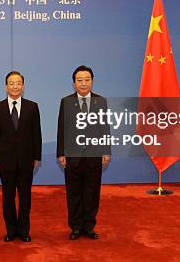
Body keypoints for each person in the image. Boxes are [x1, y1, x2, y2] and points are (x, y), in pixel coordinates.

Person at [56, 65, 110, 240]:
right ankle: (76, 227)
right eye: (79, 80)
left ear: (92, 82)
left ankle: (89, 226)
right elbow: (61, 129)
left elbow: (105, 127)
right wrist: (60, 153)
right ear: (74, 83)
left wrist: (106, 150)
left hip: (94, 155)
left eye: (87, 80)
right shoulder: (66, 102)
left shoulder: (101, 101)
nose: (83, 83)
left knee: (92, 192)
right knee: (74, 193)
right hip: (73, 156)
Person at [0, 71, 42, 242]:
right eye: (11, 83)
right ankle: (11, 231)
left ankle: (24, 230)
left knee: (25, 197)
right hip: (6, 161)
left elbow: (37, 134)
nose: (15, 86)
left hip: (27, 160)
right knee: (8, 198)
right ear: (6, 86)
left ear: (23, 86)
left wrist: (37, 156)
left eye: (18, 83)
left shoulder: (32, 107)